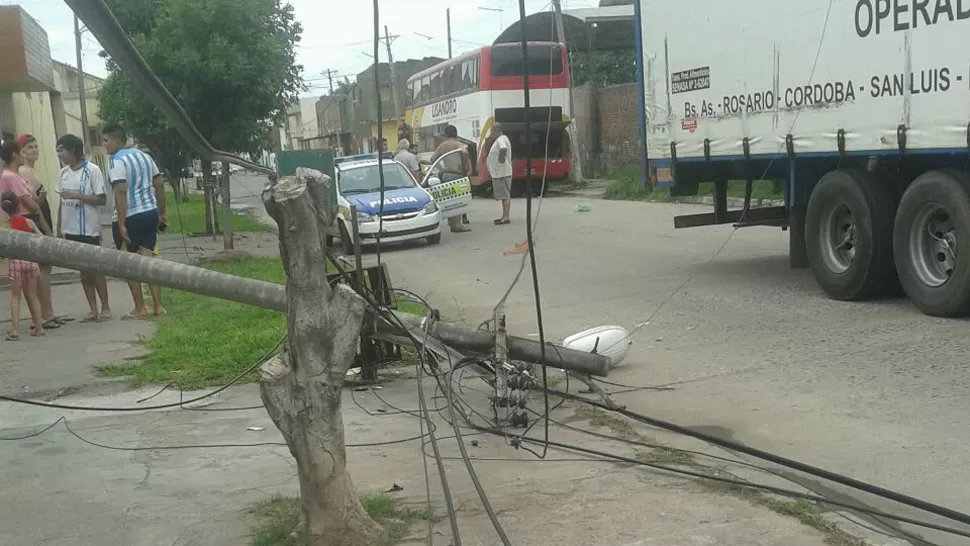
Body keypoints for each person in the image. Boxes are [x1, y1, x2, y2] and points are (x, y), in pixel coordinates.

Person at [102, 124, 167, 319]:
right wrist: (161, 212)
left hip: (130, 215)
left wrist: (121, 223)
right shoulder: (145, 156)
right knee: (148, 260)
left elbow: (120, 191)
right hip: (150, 212)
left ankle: (140, 307)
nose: (104, 145)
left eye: (105, 140)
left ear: (115, 140)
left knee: (129, 263)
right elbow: (159, 184)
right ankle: (158, 305)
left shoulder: (117, 161)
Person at [1, 139, 62, 333]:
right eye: (21, 151)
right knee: (29, 279)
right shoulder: (9, 176)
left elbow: (33, 200)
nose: (24, 155)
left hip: (30, 220)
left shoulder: (16, 175)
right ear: (14, 154)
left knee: (32, 276)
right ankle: (39, 318)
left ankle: (40, 318)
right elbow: (30, 203)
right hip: (23, 223)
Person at [55, 134, 112, 322]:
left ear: (72, 150)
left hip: (89, 228)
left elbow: (101, 199)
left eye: (62, 150)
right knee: (83, 271)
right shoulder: (63, 173)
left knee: (95, 268)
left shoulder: (92, 170)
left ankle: (105, 307)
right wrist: (58, 229)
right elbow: (61, 202)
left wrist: (77, 196)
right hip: (70, 229)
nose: (59, 154)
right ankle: (92, 309)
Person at [16, 134, 67, 327]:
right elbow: (33, 206)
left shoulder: (30, 171)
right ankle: (44, 313)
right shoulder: (24, 172)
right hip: (36, 224)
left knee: (44, 269)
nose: (34, 150)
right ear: (20, 152)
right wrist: (46, 230)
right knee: (41, 270)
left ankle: (48, 311)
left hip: (40, 221)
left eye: (36, 146)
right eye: (29, 147)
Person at [2, 191, 45, 340]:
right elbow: (40, 237)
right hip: (31, 261)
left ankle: (15, 329)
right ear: (19, 206)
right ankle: (39, 327)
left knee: (15, 296)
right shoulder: (28, 222)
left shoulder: (6, 226)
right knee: (33, 295)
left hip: (15, 262)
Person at [430, 125, 472, 233]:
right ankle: (456, 225)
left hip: (446, 174)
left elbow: (432, 159)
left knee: (449, 199)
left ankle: (451, 221)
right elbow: (465, 154)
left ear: (446, 134)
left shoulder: (442, 146)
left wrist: (441, 169)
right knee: (458, 199)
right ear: (456, 133)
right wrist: (466, 168)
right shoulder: (459, 144)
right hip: (457, 174)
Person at [486, 123, 513, 225]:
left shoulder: (501, 139)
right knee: (503, 195)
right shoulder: (501, 139)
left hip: (502, 172)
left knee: (505, 195)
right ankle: (504, 216)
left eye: (492, 131)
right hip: (500, 172)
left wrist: (501, 160)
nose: (491, 133)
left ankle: (505, 217)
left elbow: (503, 149)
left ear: (497, 130)